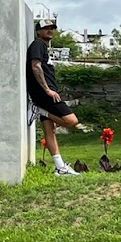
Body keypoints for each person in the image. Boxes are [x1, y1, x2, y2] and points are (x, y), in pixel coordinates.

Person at [27, 17, 80, 176]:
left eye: (52, 28)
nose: (50, 30)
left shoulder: (43, 47)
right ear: (38, 31)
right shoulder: (38, 44)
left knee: (50, 131)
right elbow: (35, 66)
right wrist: (47, 90)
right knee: (72, 121)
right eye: (46, 28)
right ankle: (39, 110)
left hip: (45, 93)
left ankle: (60, 167)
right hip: (45, 94)